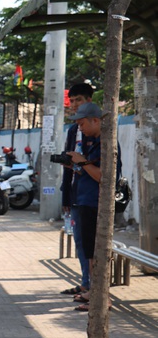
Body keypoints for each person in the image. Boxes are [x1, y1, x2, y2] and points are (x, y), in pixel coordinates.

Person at [66, 102, 120, 311]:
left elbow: (103, 176)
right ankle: (94, 292)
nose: (80, 129)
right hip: (85, 201)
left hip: (95, 204)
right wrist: (76, 165)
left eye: (82, 124)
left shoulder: (106, 144)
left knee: (96, 252)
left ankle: (101, 297)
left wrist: (82, 162)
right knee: (89, 251)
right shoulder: (93, 142)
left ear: (95, 120)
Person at [59, 82, 93, 296]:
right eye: (72, 101)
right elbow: (69, 167)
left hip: (93, 197)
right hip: (76, 195)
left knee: (92, 245)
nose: (74, 105)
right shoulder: (73, 130)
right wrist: (65, 197)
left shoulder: (100, 129)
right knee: (80, 241)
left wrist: (82, 162)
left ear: (89, 100)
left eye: (78, 100)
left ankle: (95, 288)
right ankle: (85, 283)